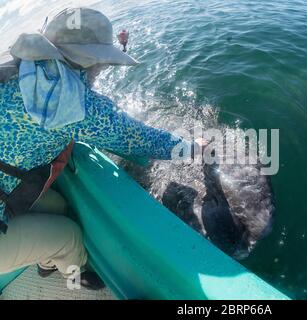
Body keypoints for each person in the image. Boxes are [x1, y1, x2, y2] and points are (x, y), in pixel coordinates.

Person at [0, 7, 206, 290]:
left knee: (58, 206)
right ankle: (74, 277)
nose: (103, 67)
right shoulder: (75, 106)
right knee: (69, 237)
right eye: (102, 61)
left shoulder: (18, 70)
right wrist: (192, 148)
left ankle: (46, 260)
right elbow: (138, 138)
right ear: (90, 61)